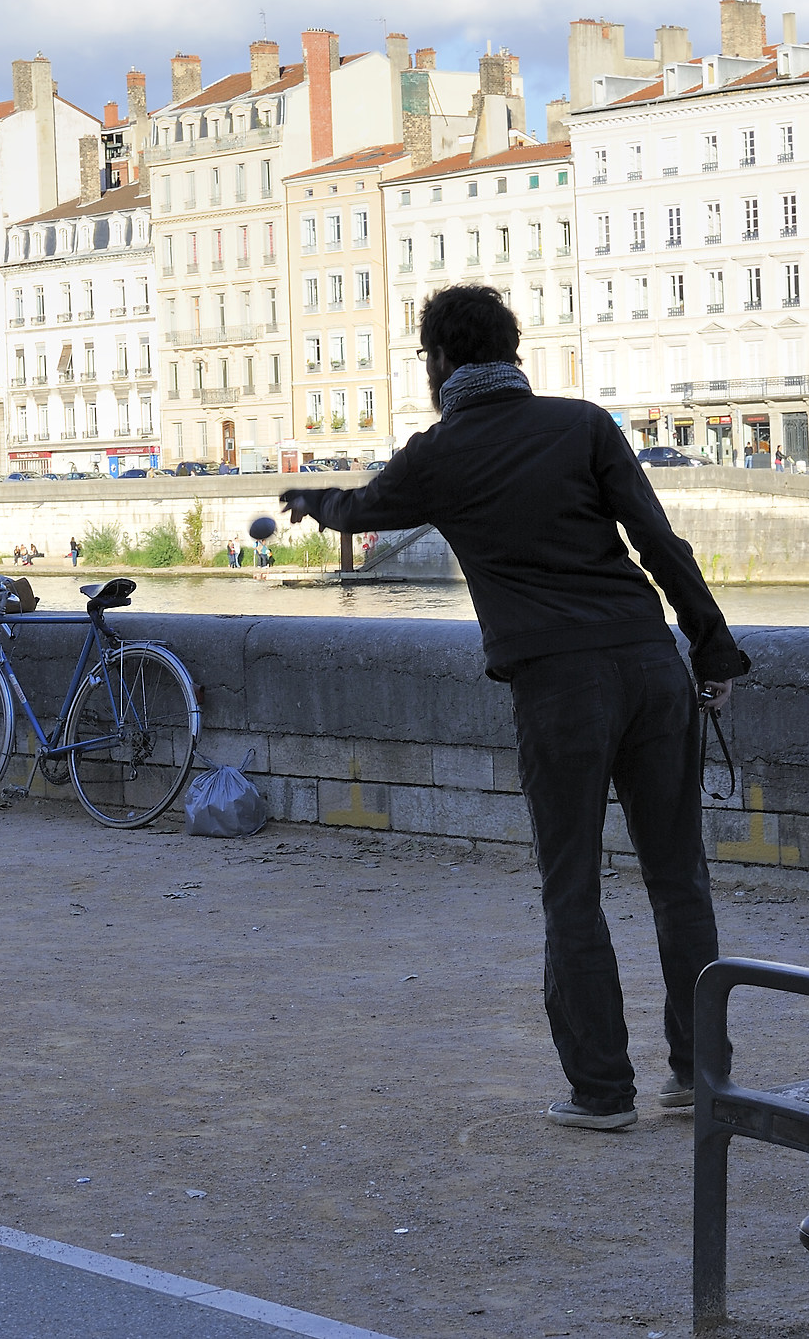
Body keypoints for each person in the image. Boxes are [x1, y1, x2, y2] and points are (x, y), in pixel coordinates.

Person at [279, 282, 748, 1132]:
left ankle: (604, 1092)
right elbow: (657, 539)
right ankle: (704, 1075)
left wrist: (313, 503)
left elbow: (363, 508)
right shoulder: (583, 424)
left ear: (442, 360)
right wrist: (711, 649)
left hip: (558, 686)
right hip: (649, 663)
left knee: (573, 888)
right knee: (679, 879)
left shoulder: (440, 453)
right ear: (513, 349)